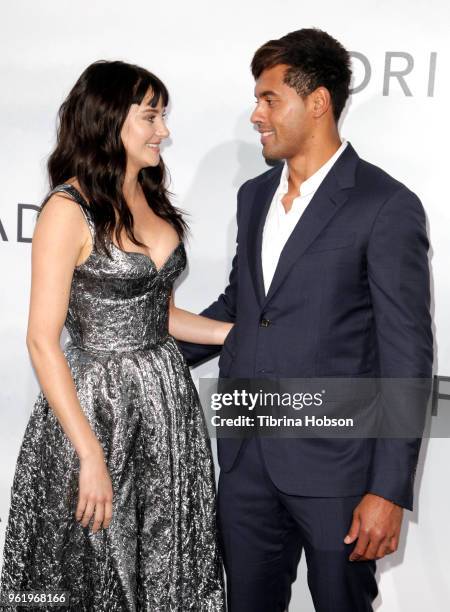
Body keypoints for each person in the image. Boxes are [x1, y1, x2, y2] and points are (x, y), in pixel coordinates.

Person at [179, 29, 433, 611]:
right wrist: (143, 344)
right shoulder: (253, 196)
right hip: (245, 462)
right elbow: (243, 311)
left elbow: (407, 356)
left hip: (339, 475)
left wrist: (387, 491)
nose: (256, 114)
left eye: (269, 99)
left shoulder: (385, 205)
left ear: (317, 102)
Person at [0, 60, 227, 611]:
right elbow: (41, 340)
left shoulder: (153, 197)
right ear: (107, 120)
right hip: (96, 411)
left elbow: (161, 314)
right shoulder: (67, 209)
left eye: (163, 116)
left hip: (168, 413)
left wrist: (238, 334)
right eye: (150, 116)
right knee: (95, 565)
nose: (164, 131)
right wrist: (90, 455)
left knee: (168, 559)